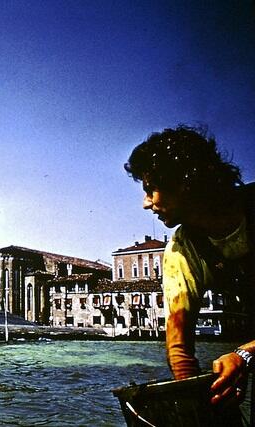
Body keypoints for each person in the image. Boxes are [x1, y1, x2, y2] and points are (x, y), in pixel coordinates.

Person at [125, 125, 255, 409]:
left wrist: (245, 355)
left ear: (183, 183)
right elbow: (179, 342)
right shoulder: (183, 248)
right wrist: (202, 400)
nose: (146, 203)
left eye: (151, 190)